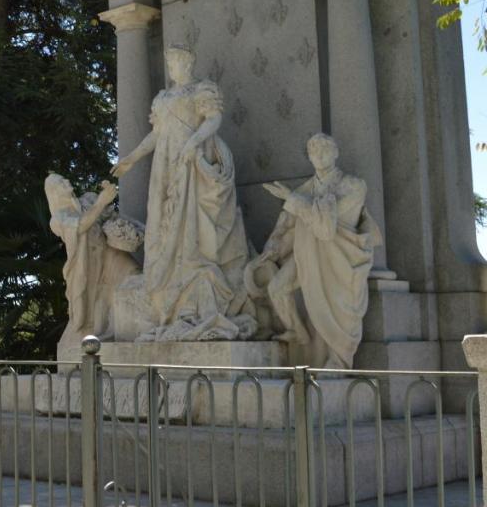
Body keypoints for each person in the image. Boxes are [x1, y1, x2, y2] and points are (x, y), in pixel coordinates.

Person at [110, 45, 255, 341]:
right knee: (164, 230)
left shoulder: (201, 90)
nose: (171, 66)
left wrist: (193, 143)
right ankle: (170, 301)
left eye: (176, 60)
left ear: (188, 61)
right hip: (164, 167)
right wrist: (132, 157)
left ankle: (191, 298)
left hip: (190, 165)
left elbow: (213, 120)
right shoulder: (163, 98)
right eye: (169, 61)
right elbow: (156, 134)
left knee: (190, 226)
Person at [246, 133, 379, 368]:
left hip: (337, 262)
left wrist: (293, 199)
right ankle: (297, 331)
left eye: (325, 149)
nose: (319, 155)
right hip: (306, 255)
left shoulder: (353, 185)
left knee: (335, 311)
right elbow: (286, 226)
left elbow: (326, 228)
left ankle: (338, 361)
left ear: (336, 152)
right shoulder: (305, 189)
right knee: (277, 288)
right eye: (313, 151)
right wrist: (273, 249)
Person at [45, 175, 139, 350]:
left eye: (66, 179)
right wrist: (101, 203)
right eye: (61, 183)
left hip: (109, 253)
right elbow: (80, 226)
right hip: (85, 266)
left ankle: (126, 328)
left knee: (133, 275)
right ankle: (101, 334)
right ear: (54, 192)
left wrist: (108, 194)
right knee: (91, 309)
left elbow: (110, 215)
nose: (67, 182)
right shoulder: (58, 218)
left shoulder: (87, 200)